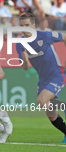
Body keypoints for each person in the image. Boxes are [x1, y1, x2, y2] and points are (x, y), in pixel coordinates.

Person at [17, 12, 66, 144]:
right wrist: (26, 61)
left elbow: (64, 37)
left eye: (27, 25)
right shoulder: (20, 44)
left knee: (41, 100)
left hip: (57, 74)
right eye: (22, 26)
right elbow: (25, 67)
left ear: (33, 25)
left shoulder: (44, 36)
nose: (24, 28)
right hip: (43, 79)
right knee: (50, 114)